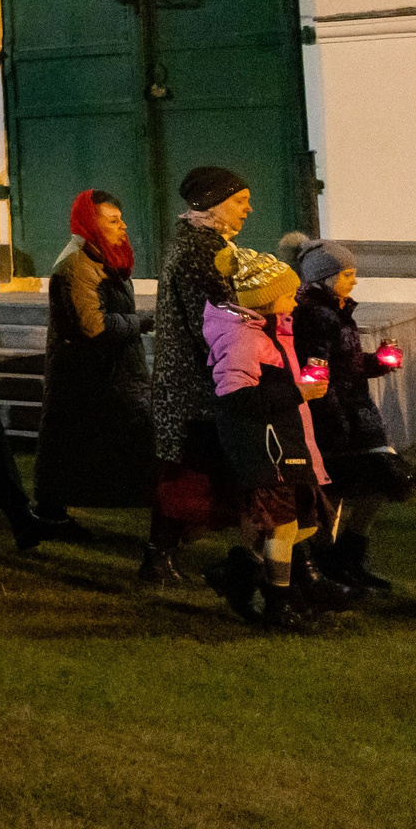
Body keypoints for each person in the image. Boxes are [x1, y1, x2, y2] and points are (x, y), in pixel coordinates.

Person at [203, 249, 343, 628]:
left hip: (285, 440)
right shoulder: (244, 340)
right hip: (267, 448)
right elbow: (235, 398)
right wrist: (298, 393)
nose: (295, 299)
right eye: (286, 293)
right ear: (265, 299)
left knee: (306, 522)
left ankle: (240, 573)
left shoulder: (272, 330)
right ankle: (278, 603)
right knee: (282, 526)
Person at [284, 235, 416, 594]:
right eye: (347, 273)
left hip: (357, 412)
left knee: (378, 481)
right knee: (340, 487)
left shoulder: (339, 311)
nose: (354, 280)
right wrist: (333, 418)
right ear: (325, 278)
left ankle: (349, 556)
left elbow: (345, 367)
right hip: (337, 416)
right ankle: (329, 561)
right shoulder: (317, 315)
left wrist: (377, 363)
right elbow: (318, 371)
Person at [147, 165, 251, 582]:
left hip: (193, 379)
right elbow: (211, 318)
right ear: (214, 204)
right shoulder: (201, 250)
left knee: (196, 469)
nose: (248, 210)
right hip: (195, 381)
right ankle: (159, 554)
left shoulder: (201, 244)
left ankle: (166, 551)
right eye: (240, 202)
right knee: (190, 472)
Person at [35, 190, 156, 525]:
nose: (124, 226)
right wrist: (140, 322)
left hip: (109, 368)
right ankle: (52, 512)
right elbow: (93, 325)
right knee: (71, 441)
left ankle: (62, 508)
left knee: (88, 442)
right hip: (89, 372)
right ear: (91, 222)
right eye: (113, 220)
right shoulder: (77, 264)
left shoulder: (101, 256)